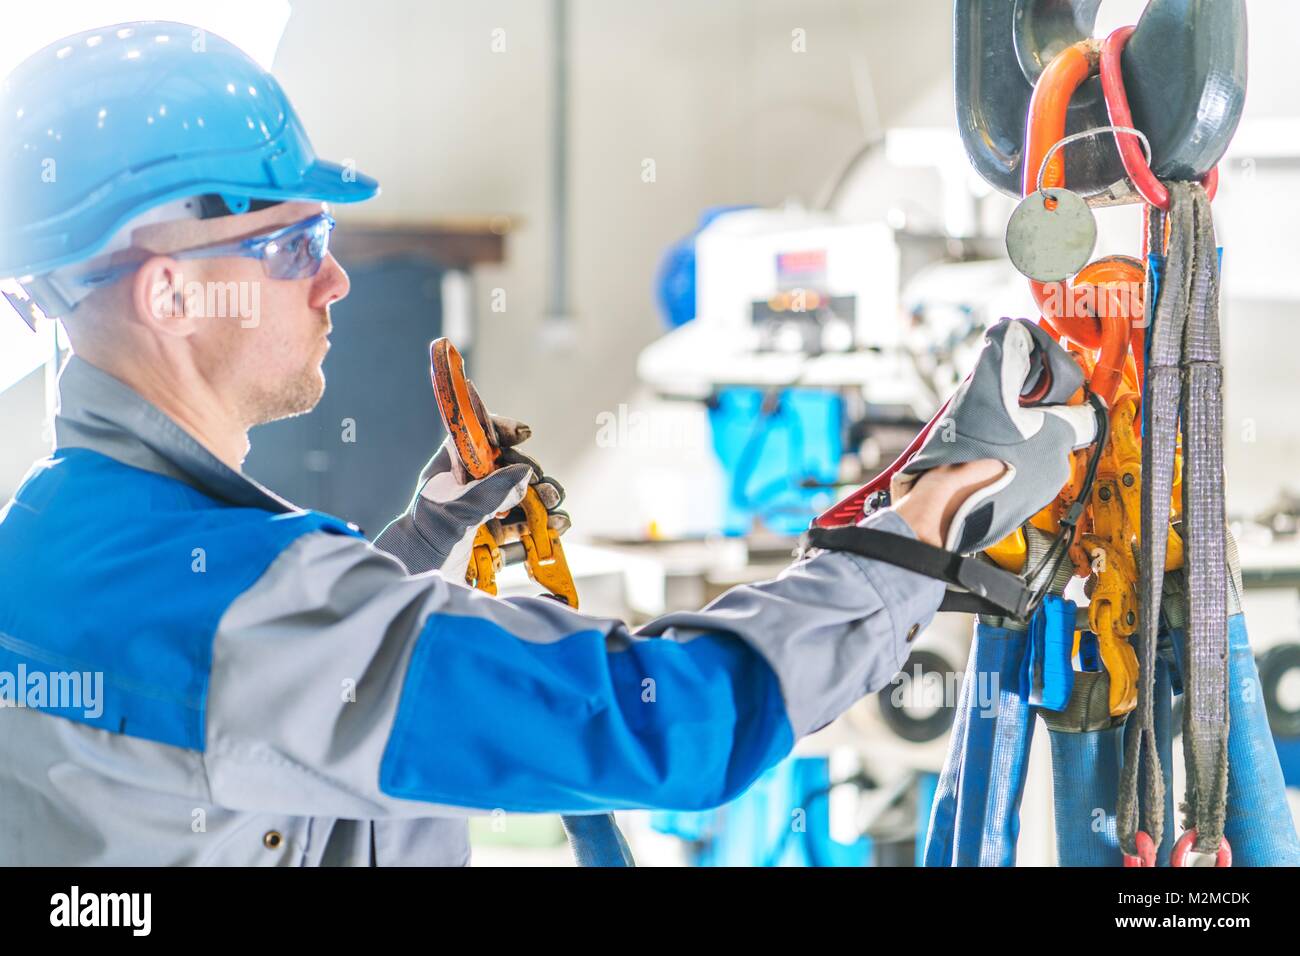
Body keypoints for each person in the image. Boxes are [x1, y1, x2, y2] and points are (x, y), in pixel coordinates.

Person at [0, 22, 1093, 865]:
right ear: (172, 291)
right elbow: (669, 727)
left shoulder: (52, 544)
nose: (333, 280)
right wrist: (917, 531)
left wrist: (419, 543)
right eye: (292, 243)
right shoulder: (234, 602)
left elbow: (254, 704)